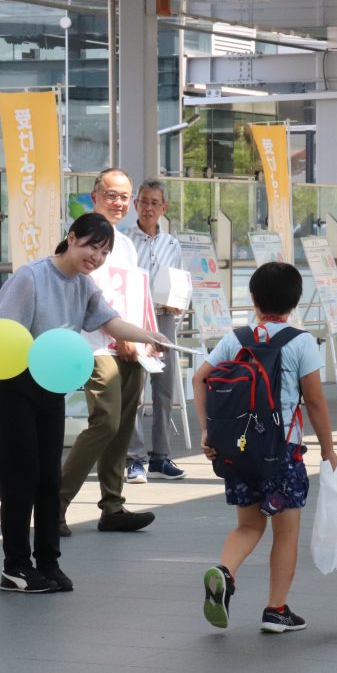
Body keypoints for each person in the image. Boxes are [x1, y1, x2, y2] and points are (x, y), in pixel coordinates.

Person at [0, 213, 168, 593]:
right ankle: (15, 567)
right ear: (71, 238)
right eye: (91, 247)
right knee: (21, 478)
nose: (96, 257)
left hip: (50, 386)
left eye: (104, 252)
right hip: (13, 385)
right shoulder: (31, 277)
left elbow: (110, 322)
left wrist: (148, 335)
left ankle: (48, 561)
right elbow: (0, 332)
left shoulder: (84, 285)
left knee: (49, 477)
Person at [194, 262, 337, 633]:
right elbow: (316, 401)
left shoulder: (235, 339)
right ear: (295, 302)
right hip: (282, 452)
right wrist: (327, 449)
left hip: (238, 451)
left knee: (248, 526)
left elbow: (200, 378)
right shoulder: (301, 342)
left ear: (253, 298)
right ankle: (276, 609)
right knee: (285, 531)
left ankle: (225, 572)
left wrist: (207, 431)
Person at [59, 169, 158, 536]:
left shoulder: (126, 243)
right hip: (97, 346)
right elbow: (88, 295)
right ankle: (55, 502)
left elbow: (134, 295)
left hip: (131, 348)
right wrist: (119, 338)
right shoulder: (83, 236)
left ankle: (112, 506)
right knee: (106, 422)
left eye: (124, 197)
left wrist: (143, 337)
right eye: (111, 194)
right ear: (95, 194)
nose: (119, 203)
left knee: (123, 427)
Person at [123, 179, 187, 483]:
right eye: (143, 201)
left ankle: (161, 457)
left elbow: (179, 280)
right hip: (135, 321)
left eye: (154, 203)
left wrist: (178, 305)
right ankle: (134, 458)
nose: (148, 208)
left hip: (164, 319)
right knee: (135, 389)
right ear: (136, 204)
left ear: (164, 208)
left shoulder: (172, 244)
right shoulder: (123, 240)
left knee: (164, 389)